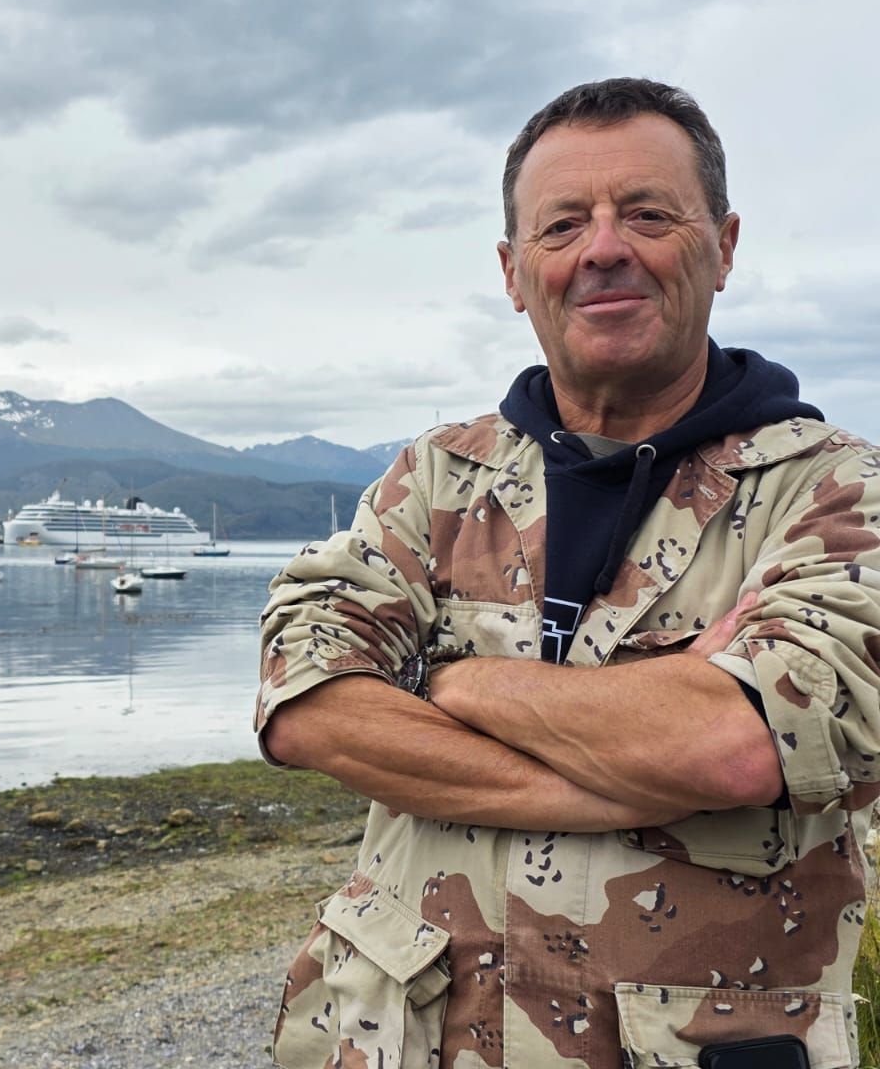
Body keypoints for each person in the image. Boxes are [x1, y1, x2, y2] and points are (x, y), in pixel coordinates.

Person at [259, 78, 880, 1069]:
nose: (601, 249)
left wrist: (458, 684)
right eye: (562, 226)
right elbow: (304, 697)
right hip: (407, 1039)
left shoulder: (836, 490)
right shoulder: (435, 478)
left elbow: (738, 747)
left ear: (722, 246)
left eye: (646, 213)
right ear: (514, 272)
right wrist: (623, 768)